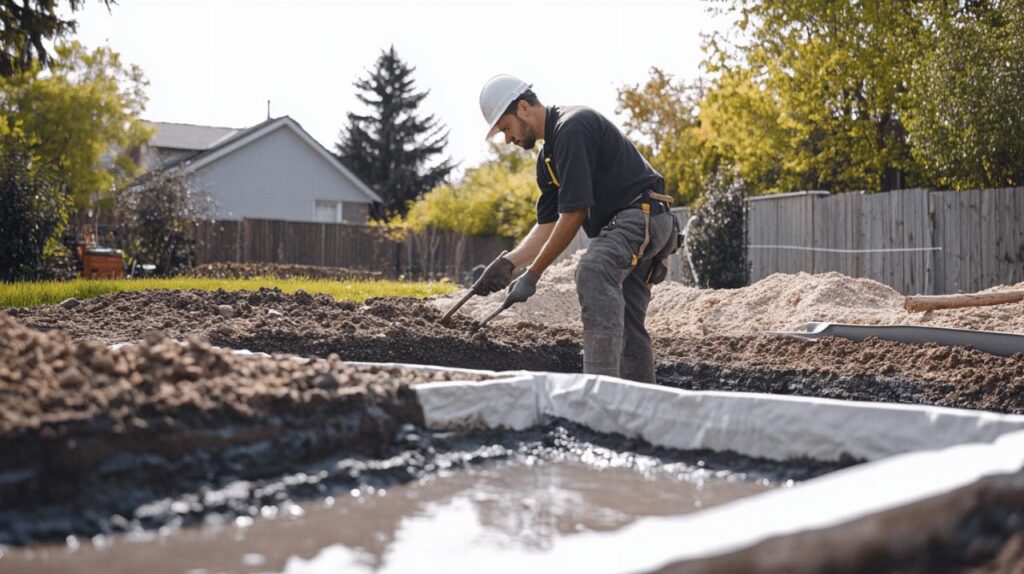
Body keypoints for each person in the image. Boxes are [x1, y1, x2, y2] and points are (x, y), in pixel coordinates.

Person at [473, 74, 679, 384]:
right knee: (627, 322)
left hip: (642, 215)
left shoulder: (573, 127)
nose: (508, 139)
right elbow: (547, 226)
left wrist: (533, 275)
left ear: (524, 107)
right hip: (633, 223)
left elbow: (574, 215)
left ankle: (599, 397)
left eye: (505, 128)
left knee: (593, 270)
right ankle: (641, 406)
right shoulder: (548, 161)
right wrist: (509, 263)